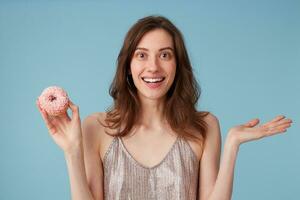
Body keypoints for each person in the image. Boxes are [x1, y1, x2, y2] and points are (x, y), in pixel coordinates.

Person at [36, 15, 293, 200]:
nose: (153, 68)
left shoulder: (205, 126)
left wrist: (233, 143)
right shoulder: (96, 127)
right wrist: (72, 152)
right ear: (128, 65)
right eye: (142, 55)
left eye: (165, 55)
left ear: (178, 65)